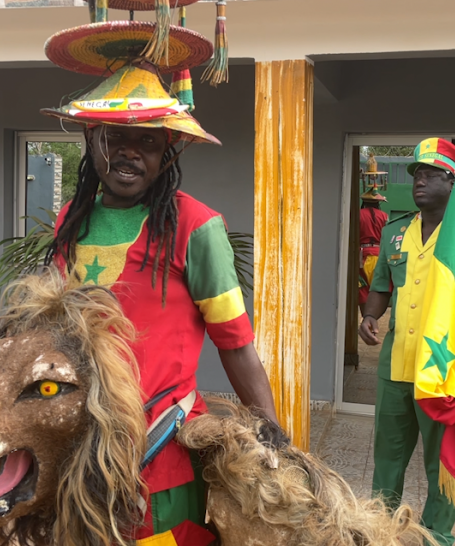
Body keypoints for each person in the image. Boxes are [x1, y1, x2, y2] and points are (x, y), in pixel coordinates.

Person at [40, 56, 285, 544]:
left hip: (160, 451)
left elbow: (234, 342)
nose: (130, 153)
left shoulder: (197, 227)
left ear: (167, 152)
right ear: (92, 142)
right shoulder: (71, 218)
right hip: (80, 445)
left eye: (147, 141)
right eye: (115, 139)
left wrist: (269, 426)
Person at [358, 137, 455, 546]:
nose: (419, 182)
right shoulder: (395, 230)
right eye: (416, 175)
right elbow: (381, 287)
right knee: (386, 461)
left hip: (447, 370)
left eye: (430, 175)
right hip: (397, 366)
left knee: (443, 464)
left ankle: (436, 538)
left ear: (454, 181)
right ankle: (380, 533)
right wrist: (370, 316)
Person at [358, 185, 389, 316]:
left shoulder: (358, 215)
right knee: (377, 289)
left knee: (363, 290)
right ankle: (374, 320)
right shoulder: (385, 216)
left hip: (362, 257)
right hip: (380, 255)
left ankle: (366, 318)